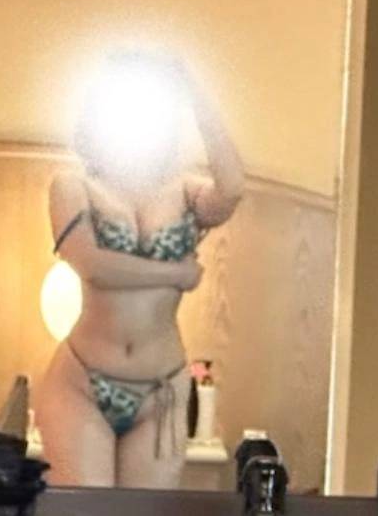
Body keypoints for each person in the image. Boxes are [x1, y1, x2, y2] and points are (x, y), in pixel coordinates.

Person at [36, 51, 244, 488]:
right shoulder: (73, 185)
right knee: (86, 514)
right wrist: (174, 274)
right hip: (82, 382)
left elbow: (232, 188)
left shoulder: (184, 190)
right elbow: (91, 264)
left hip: (162, 389)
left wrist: (193, 88)